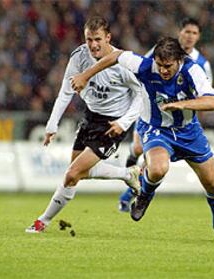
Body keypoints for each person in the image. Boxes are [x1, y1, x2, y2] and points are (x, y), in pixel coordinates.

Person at [71, 37, 214, 242]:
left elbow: (212, 102)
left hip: (189, 132)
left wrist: (183, 104)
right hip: (155, 128)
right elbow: (115, 55)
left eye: (168, 66)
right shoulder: (145, 66)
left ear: (179, 60)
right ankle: (143, 197)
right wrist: (86, 75)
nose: (163, 70)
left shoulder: (193, 71)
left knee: (212, 184)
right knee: (158, 168)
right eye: (159, 65)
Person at [26, 16, 143, 233]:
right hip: (90, 118)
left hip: (112, 125)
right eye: (89, 39)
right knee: (76, 174)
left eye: (97, 39)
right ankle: (128, 174)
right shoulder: (80, 56)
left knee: (71, 173)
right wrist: (52, 125)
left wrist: (124, 123)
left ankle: (43, 221)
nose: (93, 45)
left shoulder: (123, 65)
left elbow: (141, 95)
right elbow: (65, 90)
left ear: (108, 38)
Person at [118, 18, 213, 212]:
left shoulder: (201, 64)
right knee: (138, 149)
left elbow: (206, 95)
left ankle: (130, 195)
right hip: (151, 112)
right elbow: (142, 73)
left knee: (153, 164)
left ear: (199, 37)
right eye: (187, 31)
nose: (189, 36)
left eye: (194, 33)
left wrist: (186, 108)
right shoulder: (159, 52)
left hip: (179, 120)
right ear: (180, 32)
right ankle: (132, 178)